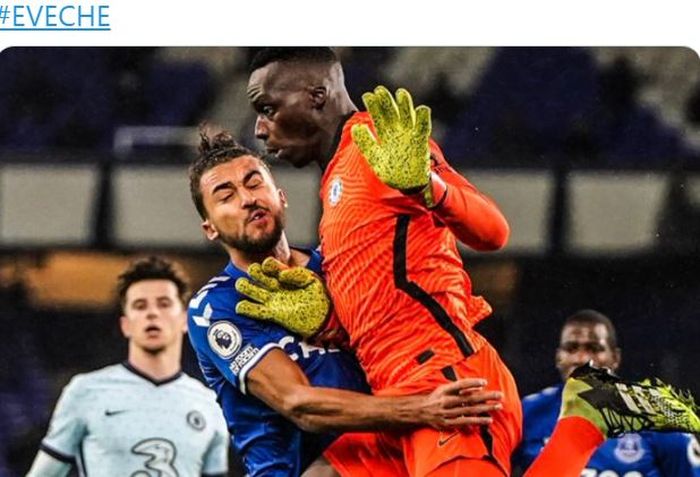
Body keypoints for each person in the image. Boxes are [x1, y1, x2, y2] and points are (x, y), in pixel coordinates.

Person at [239, 47, 700, 477]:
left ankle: (583, 425)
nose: (260, 129)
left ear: (316, 96)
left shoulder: (378, 146)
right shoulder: (336, 177)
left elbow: (493, 229)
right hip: (391, 393)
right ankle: (583, 424)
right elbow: (385, 297)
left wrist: (426, 185)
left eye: (268, 108)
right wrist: (326, 323)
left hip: (446, 382)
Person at [185, 130, 504, 477]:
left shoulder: (338, 264)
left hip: (393, 457)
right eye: (226, 196)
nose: (248, 199)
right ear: (210, 228)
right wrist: (422, 408)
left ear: (281, 196)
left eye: (254, 183)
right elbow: (299, 404)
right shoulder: (217, 306)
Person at [26, 256, 230, 477]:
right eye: (140, 306)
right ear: (126, 325)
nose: (152, 313)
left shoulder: (209, 404)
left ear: (184, 320)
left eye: (164, 304)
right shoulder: (86, 392)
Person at [513, 309, 700, 477]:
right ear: (558, 357)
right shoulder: (526, 413)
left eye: (594, 349)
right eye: (572, 348)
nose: (582, 359)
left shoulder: (658, 415)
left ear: (615, 358)